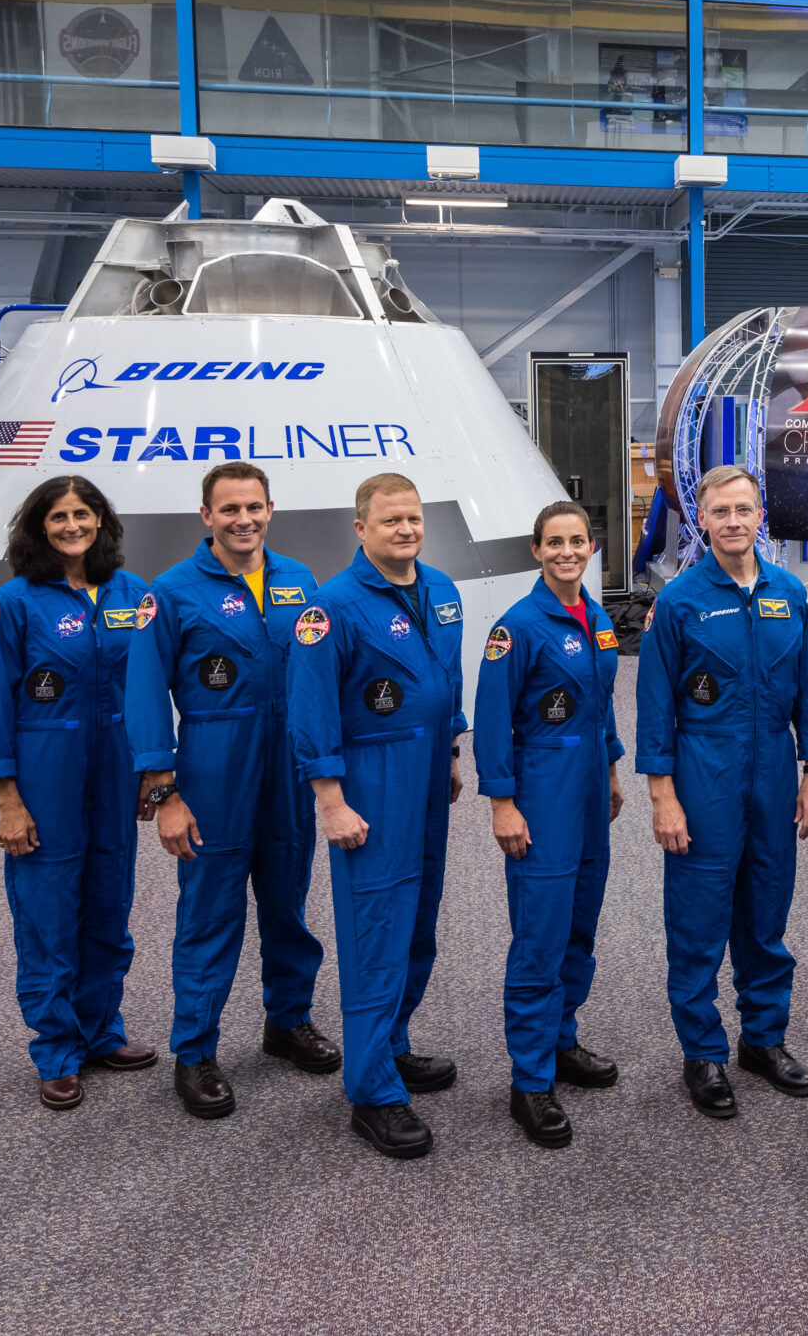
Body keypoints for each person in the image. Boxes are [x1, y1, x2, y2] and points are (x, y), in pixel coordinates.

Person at [124, 461, 338, 1120]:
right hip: (215, 768)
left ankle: (288, 1019)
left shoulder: (299, 581)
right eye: (229, 509)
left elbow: (319, 675)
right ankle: (194, 1050)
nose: (243, 518)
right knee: (209, 913)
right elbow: (144, 692)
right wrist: (164, 791)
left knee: (287, 903)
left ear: (271, 509)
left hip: (288, 767)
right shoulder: (173, 592)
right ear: (206, 516)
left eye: (254, 506)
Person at [635, 464, 808, 1120]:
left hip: (775, 768)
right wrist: (663, 793)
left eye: (743, 509)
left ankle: (764, 1038)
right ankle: (703, 1052)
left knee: (766, 909)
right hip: (703, 768)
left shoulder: (787, 593)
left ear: (760, 515)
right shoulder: (681, 601)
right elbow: (655, 705)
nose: (732, 521)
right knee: (698, 917)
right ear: (702, 518)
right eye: (719, 511)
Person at [286, 473, 469, 1158]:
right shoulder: (329, 607)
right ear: (360, 527)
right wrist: (329, 800)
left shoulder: (443, 593)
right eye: (390, 520)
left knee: (418, 919)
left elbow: (444, 683)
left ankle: (392, 1043)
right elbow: (312, 709)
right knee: (375, 929)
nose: (406, 529)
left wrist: (451, 751)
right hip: (369, 777)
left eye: (414, 518)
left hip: (426, 773)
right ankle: (372, 1091)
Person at [0, 475, 157, 1111]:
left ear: (102, 521)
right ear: (39, 527)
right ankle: (57, 1048)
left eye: (83, 514)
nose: (72, 525)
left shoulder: (132, 593)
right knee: (49, 909)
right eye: (59, 517)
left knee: (110, 898)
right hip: (44, 765)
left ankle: (102, 1030)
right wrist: (8, 799)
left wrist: (150, 772)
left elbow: (148, 690)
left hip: (116, 766)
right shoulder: (14, 602)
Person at [473, 500, 627, 1148]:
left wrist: (614, 768)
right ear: (536, 550)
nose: (567, 551)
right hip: (541, 791)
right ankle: (530, 1080)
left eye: (577, 540)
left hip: (591, 786)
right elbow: (490, 721)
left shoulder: (595, 617)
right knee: (539, 933)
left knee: (579, 924)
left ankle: (561, 1042)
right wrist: (502, 801)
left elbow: (600, 704)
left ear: (591, 547)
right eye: (554, 541)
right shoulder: (517, 627)